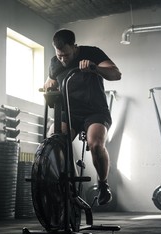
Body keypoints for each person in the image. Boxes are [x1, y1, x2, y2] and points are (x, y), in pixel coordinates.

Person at [44, 29, 122, 205]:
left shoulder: (92, 53)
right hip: (69, 112)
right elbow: (51, 82)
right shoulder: (54, 63)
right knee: (54, 141)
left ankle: (103, 185)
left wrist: (95, 68)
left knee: (95, 144)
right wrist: (48, 86)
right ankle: (67, 182)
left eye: (66, 55)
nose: (63, 59)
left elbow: (116, 74)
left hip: (95, 111)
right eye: (59, 55)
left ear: (75, 47)